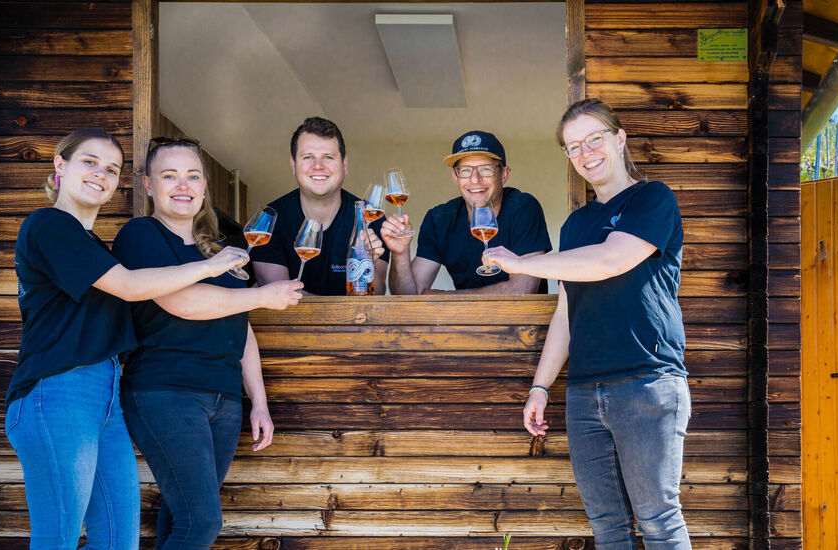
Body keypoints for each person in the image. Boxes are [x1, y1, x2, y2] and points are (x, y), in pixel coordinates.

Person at [6, 129, 249, 549]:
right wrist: (212, 268)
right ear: (60, 166)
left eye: (111, 168)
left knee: (119, 539)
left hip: (107, 396)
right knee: (57, 538)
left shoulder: (93, 244)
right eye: (90, 162)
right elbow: (131, 286)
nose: (101, 173)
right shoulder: (48, 225)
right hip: (57, 390)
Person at [487, 99, 692, 549]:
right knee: (607, 528)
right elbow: (566, 311)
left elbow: (609, 260)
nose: (585, 152)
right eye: (573, 146)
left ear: (619, 140)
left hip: (647, 384)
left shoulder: (652, 198)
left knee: (658, 520)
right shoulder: (576, 225)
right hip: (583, 394)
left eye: (594, 138)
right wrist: (540, 388)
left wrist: (524, 264)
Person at [110, 137, 303, 549]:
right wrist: (263, 295)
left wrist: (260, 401)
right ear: (147, 184)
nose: (183, 185)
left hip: (224, 399)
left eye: (192, 176)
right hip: (165, 392)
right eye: (169, 176)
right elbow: (181, 302)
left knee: (180, 518)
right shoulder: (140, 234)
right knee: (201, 523)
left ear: (204, 186)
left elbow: (241, 324)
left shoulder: (219, 249)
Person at [382, 130, 551, 295]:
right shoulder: (439, 219)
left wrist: (442, 297)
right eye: (465, 171)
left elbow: (521, 291)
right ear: (456, 177)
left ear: (504, 175)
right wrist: (400, 253)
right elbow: (407, 295)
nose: (475, 179)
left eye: (485, 169)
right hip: (460, 323)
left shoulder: (523, 208)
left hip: (522, 322)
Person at [250, 116, 388, 294]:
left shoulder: (370, 217)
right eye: (308, 157)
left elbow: (376, 295)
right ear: (293, 165)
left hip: (355, 322)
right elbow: (279, 299)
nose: (318, 166)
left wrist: (369, 260)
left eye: (328, 157)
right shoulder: (268, 221)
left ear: (344, 164)